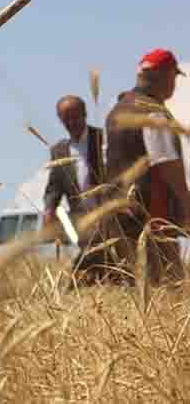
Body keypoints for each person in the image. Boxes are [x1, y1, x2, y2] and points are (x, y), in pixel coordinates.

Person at [95, 49, 189, 284]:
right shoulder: (152, 111)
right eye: (174, 77)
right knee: (169, 286)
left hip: (120, 213)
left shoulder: (116, 111)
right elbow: (166, 162)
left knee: (137, 287)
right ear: (165, 75)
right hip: (152, 214)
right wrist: (186, 205)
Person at [41, 96, 110, 283]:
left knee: (102, 258)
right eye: (65, 118)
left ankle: (78, 287)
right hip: (81, 218)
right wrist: (49, 209)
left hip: (108, 214)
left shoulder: (103, 138)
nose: (71, 122)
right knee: (94, 258)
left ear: (85, 114)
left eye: (75, 116)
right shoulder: (59, 151)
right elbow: (54, 186)